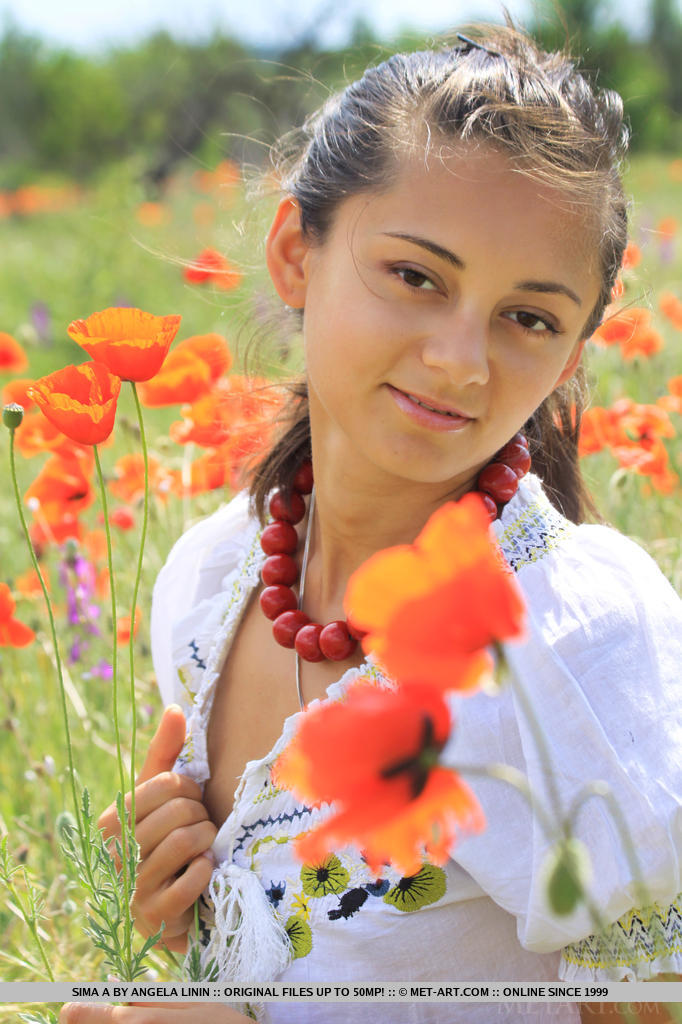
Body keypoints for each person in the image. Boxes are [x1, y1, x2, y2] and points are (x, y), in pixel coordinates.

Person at [60, 23, 682, 1024]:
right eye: (416, 276)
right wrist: (193, 906)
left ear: (570, 356)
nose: (459, 360)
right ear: (294, 255)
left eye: (528, 318)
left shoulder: (572, 644)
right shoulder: (208, 581)